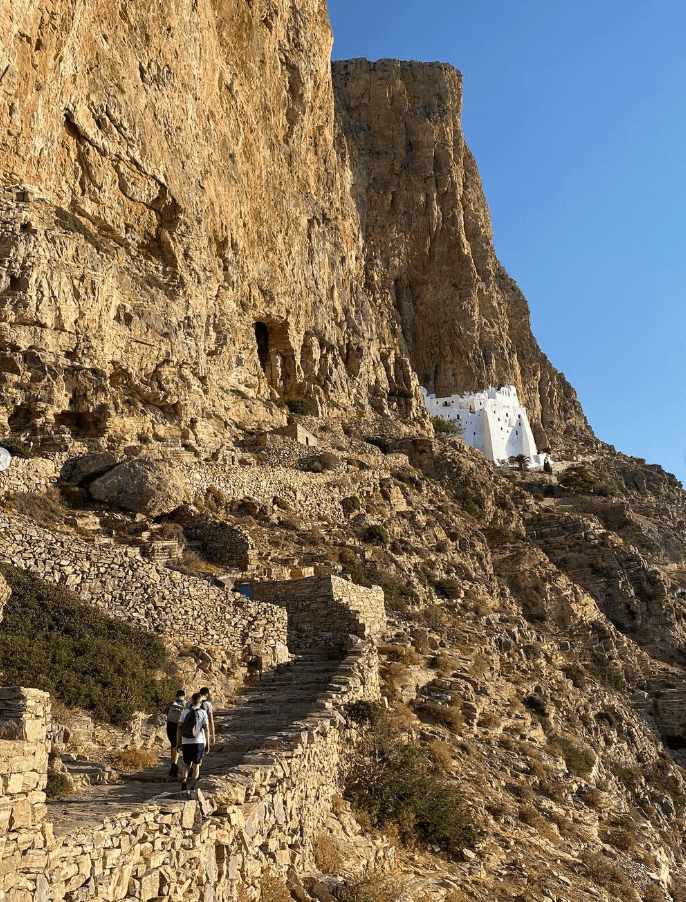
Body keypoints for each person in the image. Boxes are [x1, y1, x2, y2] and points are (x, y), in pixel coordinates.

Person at [176, 691, 210, 791]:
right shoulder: (203, 712)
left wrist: (178, 743)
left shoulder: (185, 711)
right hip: (198, 742)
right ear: (200, 702)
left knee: (186, 764)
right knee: (196, 766)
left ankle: (184, 780)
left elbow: (179, 727)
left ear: (192, 701)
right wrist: (207, 743)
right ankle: (192, 787)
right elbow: (206, 729)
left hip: (186, 742)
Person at [165, 689, 186, 778]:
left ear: (175, 696)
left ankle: (172, 764)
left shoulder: (170, 704)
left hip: (170, 725)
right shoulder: (186, 705)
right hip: (179, 725)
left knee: (172, 745)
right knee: (177, 746)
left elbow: (166, 713)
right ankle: (174, 766)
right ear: (184, 696)